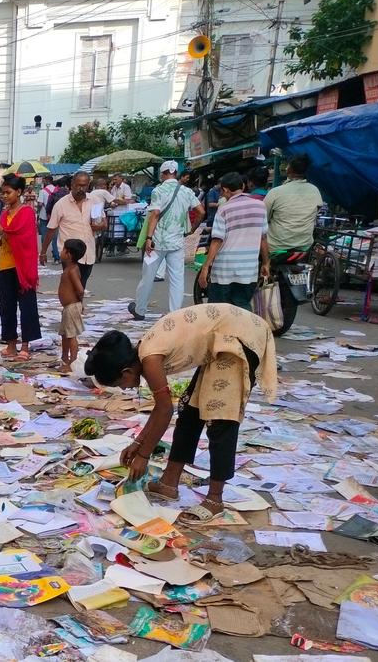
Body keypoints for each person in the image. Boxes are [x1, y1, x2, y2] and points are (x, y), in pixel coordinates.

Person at [85, 303, 277, 523]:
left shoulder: (150, 359)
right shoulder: (143, 355)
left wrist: (143, 455)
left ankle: (215, 499)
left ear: (126, 371)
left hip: (238, 337)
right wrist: (137, 444)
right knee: (189, 412)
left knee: (220, 418)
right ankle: (169, 482)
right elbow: (161, 408)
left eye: (121, 384)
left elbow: (165, 410)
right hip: (221, 341)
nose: (124, 389)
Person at [129, 160, 204, 320]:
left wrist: (148, 238)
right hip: (177, 242)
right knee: (177, 279)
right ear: (176, 173)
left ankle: (140, 310)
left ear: (163, 174)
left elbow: (155, 214)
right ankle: (174, 314)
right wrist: (192, 229)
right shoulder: (187, 191)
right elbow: (201, 211)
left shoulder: (158, 191)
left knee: (148, 276)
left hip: (157, 242)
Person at [199, 172, 270, 311]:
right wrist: (266, 262)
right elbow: (263, 238)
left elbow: (217, 241)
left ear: (225, 190)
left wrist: (206, 267)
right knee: (242, 307)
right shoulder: (260, 206)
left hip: (224, 269)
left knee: (218, 310)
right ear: (242, 186)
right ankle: (243, 332)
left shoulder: (224, 208)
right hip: (248, 269)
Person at [0, 174, 41, 361]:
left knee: (26, 306)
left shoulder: (27, 212)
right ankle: (11, 344)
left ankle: (25, 346)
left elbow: (22, 237)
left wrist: (2, 232)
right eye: (2, 193)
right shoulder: (4, 214)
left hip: (22, 267)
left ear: (18, 192)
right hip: (5, 265)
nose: (4, 196)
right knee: (7, 307)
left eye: (8, 192)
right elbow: (4, 239)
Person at [40, 171, 105, 286]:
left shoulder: (95, 201)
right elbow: (51, 229)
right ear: (72, 184)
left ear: (88, 185)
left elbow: (104, 223)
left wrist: (100, 226)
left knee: (81, 286)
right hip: (70, 255)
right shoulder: (61, 204)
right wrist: (43, 252)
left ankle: (77, 303)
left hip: (88, 253)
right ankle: (75, 303)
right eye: (78, 185)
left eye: (84, 185)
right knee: (72, 288)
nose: (81, 188)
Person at [264, 154, 323, 253]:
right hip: (304, 246)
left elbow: (264, 218)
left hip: (276, 247)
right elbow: (316, 211)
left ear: (289, 169)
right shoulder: (314, 190)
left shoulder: (276, 192)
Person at [58, 238, 86, 373]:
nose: (61, 252)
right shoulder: (69, 268)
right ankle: (65, 358)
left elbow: (79, 289)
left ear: (68, 254)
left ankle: (72, 362)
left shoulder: (72, 270)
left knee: (71, 335)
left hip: (72, 306)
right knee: (64, 334)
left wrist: (81, 301)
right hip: (67, 308)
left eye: (63, 249)